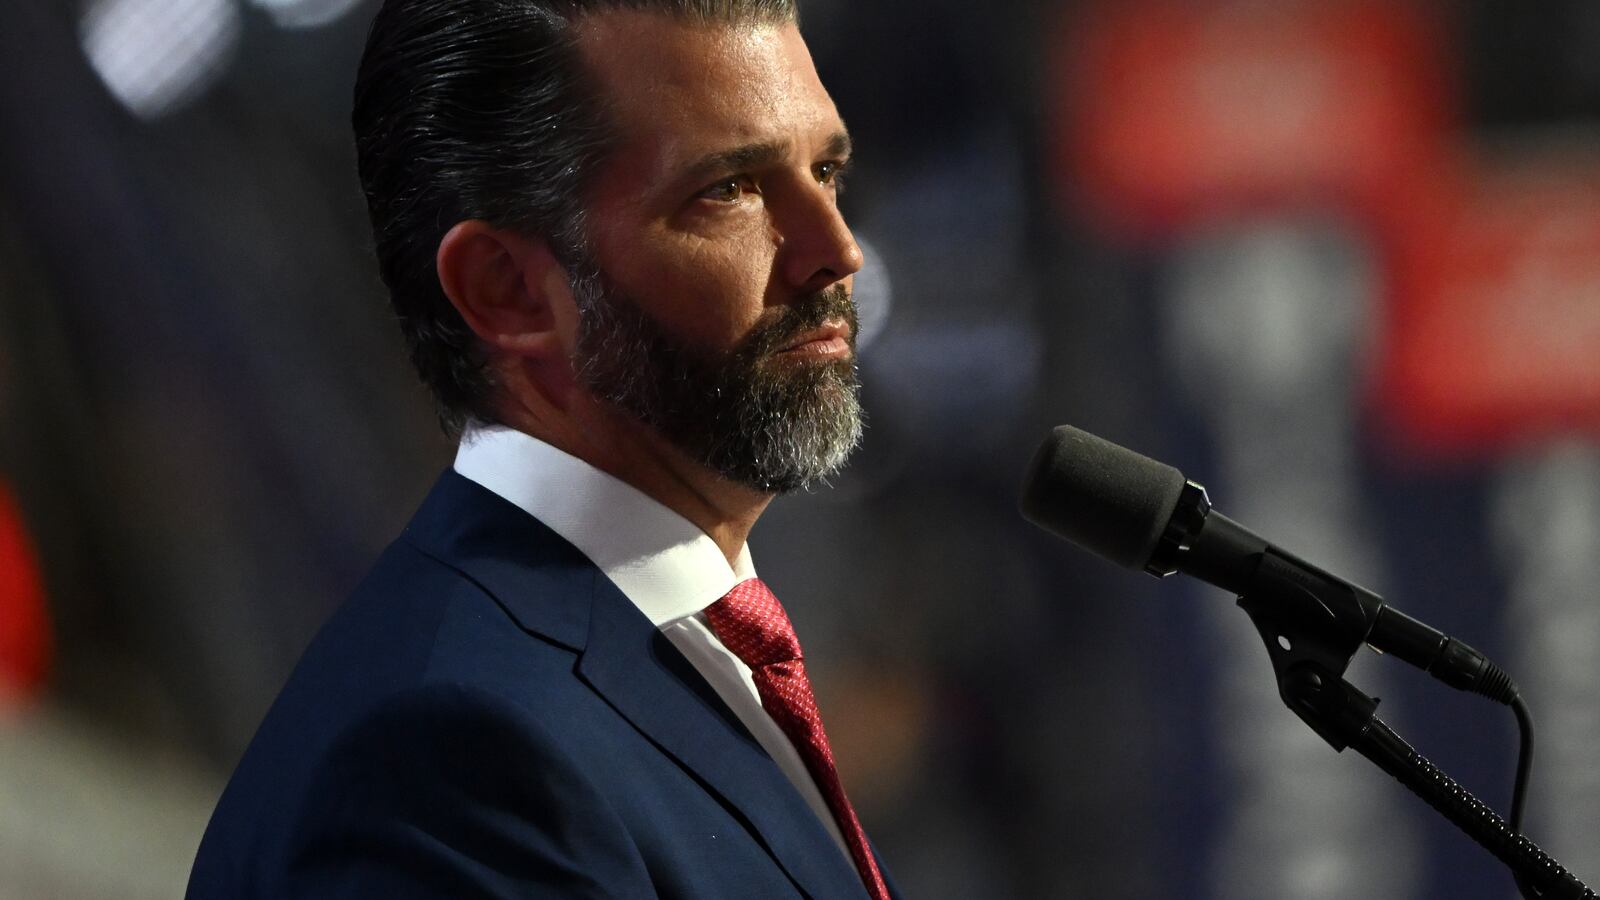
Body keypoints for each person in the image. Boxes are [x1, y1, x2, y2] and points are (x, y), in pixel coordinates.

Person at [186, 0, 900, 897]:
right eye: (731, 189)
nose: (836, 250)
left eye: (825, 168)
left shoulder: (674, 654)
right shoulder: (449, 759)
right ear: (508, 291)